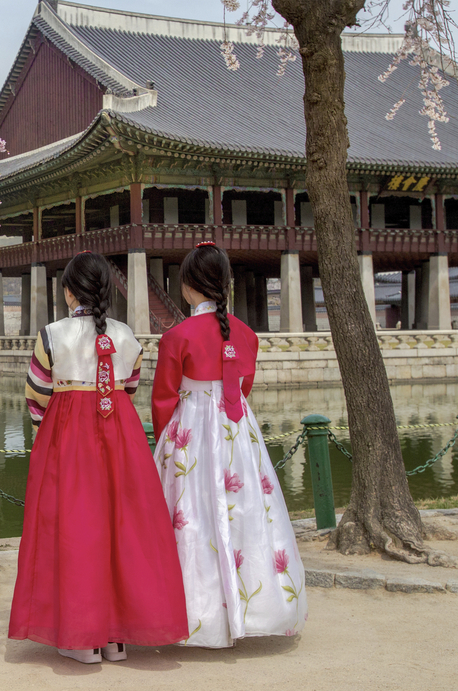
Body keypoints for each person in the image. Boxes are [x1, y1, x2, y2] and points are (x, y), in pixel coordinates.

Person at [9, 251, 188, 664]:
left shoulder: (51, 334)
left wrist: (48, 436)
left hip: (67, 435)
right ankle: (116, 637)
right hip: (121, 434)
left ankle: (81, 637)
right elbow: (130, 388)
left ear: (69, 291)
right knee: (121, 528)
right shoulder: (128, 336)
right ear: (106, 290)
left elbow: (37, 397)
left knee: (75, 528)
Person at [151, 242, 307, 648]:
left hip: (192, 433)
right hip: (238, 432)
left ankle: (195, 616)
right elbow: (243, 386)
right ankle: (259, 610)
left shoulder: (177, 336)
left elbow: (164, 398)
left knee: (193, 517)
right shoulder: (248, 335)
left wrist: (164, 442)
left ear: (187, 286)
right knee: (249, 512)